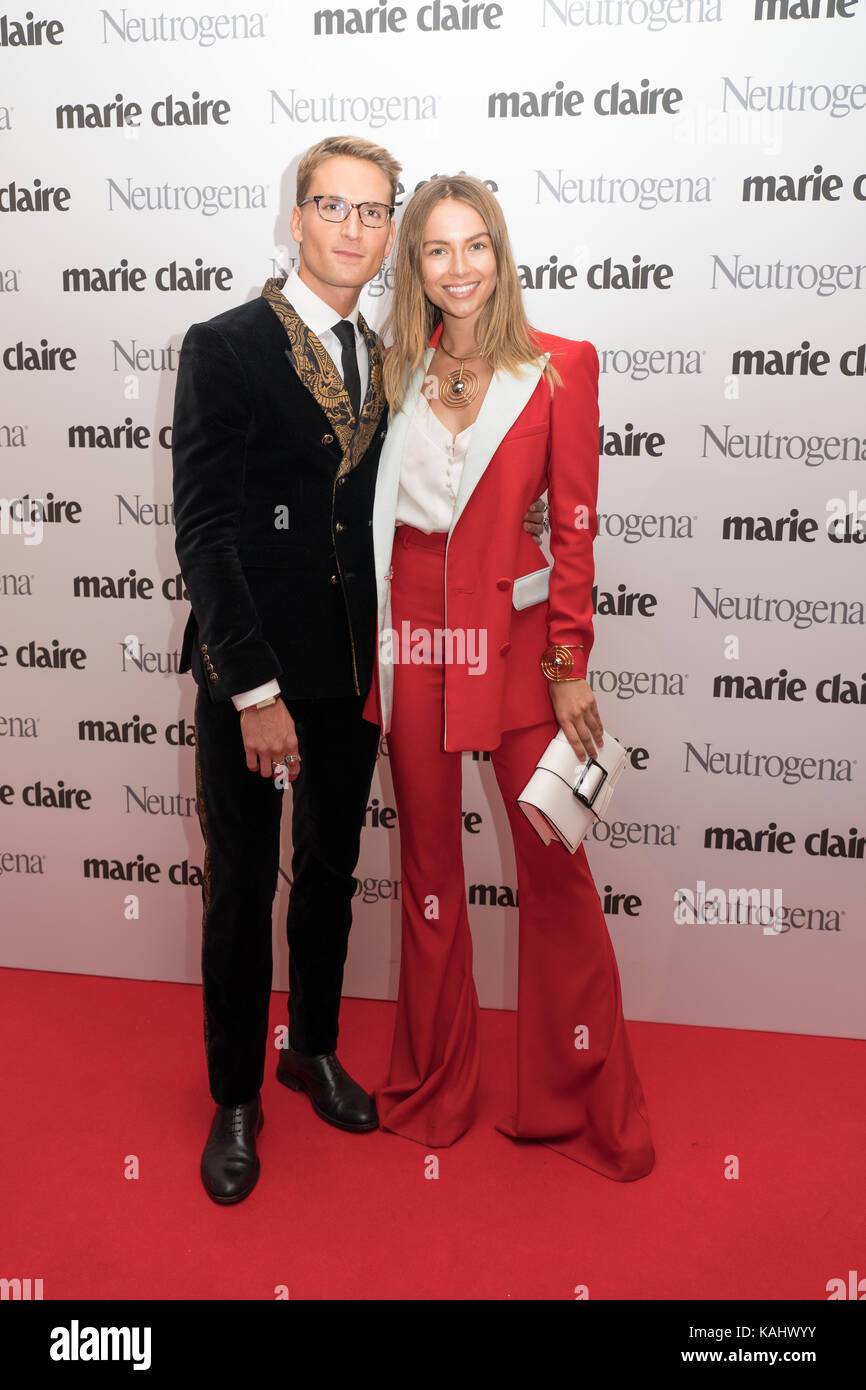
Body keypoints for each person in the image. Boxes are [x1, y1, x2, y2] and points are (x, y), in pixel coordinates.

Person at [172, 138, 545, 1204]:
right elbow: (204, 535)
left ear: (389, 234)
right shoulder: (224, 344)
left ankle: (312, 1047)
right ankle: (235, 1096)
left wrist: (516, 510)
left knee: (329, 874)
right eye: (332, 206)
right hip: (255, 676)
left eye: (373, 211)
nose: (352, 228)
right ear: (297, 217)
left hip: (355, 671)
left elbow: (443, 474)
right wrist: (250, 690)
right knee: (243, 888)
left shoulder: (396, 358)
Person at [363, 175, 655, 1181]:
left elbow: (573, 527)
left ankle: (581, 1107)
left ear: (501, 253)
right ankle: (432, 1087)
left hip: (523, 651)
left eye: (474, 245)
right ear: (414, 266)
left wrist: (568, 663)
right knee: (431, 880)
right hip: (413, 650)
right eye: (435, 250)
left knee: (556, 872)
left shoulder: (560, 368)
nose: (456, 269)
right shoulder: (393, 368)